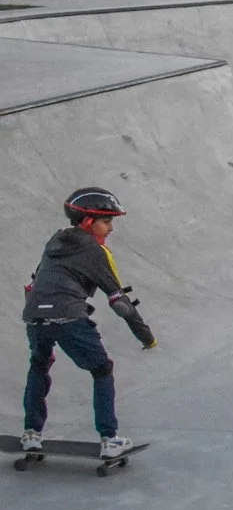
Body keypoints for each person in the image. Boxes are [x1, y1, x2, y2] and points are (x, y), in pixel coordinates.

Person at [19, 188, 155, 458]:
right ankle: (109, 438)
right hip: (68, 316)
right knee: (102, 369)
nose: (111, 228)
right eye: (107, 221)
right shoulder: (96, 250)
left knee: (39, 364)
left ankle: (31, 434)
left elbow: (34, 284)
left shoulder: (54, 242)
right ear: (88, 222)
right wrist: (147, 337)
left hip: (34, 315)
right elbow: (119, 301)